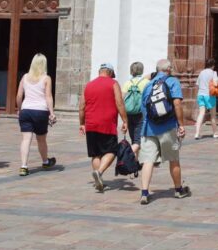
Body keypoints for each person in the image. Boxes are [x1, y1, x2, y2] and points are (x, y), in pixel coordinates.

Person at [138, 59, 190, 204]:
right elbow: (177, 104)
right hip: (168, 127)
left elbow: (143, 108)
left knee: (148, 161)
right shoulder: (172, 81)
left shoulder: (148, 85)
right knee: (173, 159)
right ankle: (178, 190)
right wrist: (181, 124)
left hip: (149, 128)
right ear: (169, 69)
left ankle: (144, 192)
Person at [79, 63, 128, 192]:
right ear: (110, 72)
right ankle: (99, 172)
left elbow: (82, 106)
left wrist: (82, 123)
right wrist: (125, 120)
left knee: (95, 154)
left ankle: (98, 179)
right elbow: (119, 102)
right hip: (107, 123)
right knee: (112, 151)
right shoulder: (113, 83)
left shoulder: (88, 85)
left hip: (91, 124)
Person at [15, 53, 57, 176]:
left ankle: (23, 166)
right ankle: (45, 161)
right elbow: (48, 96)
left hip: (26, 110)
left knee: (26, 139)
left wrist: (19, 109)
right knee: (41, 139)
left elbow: (19, 95)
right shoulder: (46, 78)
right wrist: (52, 112)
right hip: (40, 111)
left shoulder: (25, 77)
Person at [122, 61, 151, 158]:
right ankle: (126, 156)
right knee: (138, 141)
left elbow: (122, 100)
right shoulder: (146, 83)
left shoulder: (127, 83)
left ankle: (136, 162)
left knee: (134, 138)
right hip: (141, 113)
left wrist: (123, 117)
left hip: (129, 114)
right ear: (142, 70)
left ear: (131, 71)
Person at [194, 58, 218, 140]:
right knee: (213, 115)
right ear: (213, 65)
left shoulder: (201, 72)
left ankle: (197, 133)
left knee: (201, 113)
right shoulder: (213, 73)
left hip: (200, 94)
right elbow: (215, 83)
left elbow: (197, 84)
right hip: (209, 95)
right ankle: (215, 133)